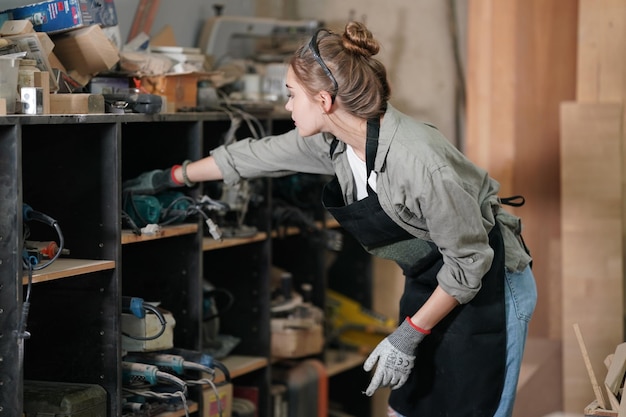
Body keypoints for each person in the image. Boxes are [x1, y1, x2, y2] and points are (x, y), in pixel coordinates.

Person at [123, 21, 537, 417]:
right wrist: (171, 177)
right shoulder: (335, 142)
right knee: (411, 405)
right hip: (432, 281)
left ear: (324, 101)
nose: (286, 107)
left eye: (291, 95)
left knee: (472, 406)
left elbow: (469, 263)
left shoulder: (420, 163)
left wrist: (409, 335)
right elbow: (257, 155)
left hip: (488, 286)